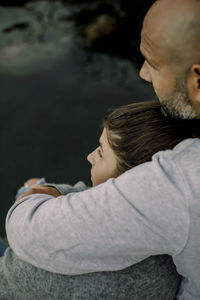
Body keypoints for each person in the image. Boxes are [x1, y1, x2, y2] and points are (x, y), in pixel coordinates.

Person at [5, 0, 200, 299]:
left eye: (154, 63)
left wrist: (37, 192)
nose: (144, 74)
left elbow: (32, 232)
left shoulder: (180, 186)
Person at [1, 101, 185, 299]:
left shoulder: (41, 265)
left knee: (30, 187)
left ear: (130, 183)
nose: (90, 156)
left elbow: (21, 233)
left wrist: (37, 191)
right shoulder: (171, 258)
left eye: (100, 153)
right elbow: (86, 193)